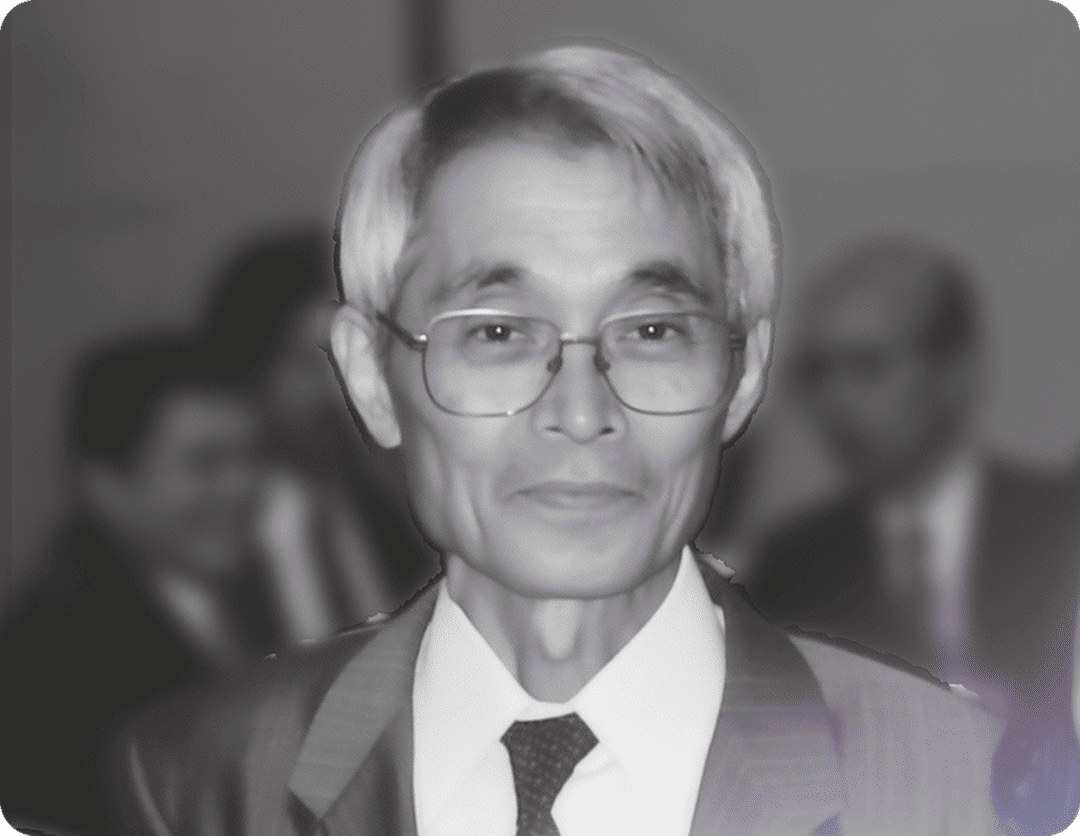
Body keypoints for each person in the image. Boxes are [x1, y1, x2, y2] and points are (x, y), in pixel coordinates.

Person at [119, 43, 1008, 835]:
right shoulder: (199, 782)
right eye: (498, 333)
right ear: (369, 379)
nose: (581, 413)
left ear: (742, 376)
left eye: (652, 331)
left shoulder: (964, 787)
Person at [745, 239, 1080, 721]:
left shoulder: (1063, 530)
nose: (835, 400)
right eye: (816, 372)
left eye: (867, 365)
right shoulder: (790, 568)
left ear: (955, 373)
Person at [0, 331, 278, 836]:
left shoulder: (266, 592)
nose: (243, 486)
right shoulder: (49, 661)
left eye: (253, 456)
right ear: (106, 483)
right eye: (205, 462)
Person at [200, 229, 441, 641]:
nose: (335, 387)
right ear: (248, 372)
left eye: (347, 358)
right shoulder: (215, 528)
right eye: (304, 363)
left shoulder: (386, 499)